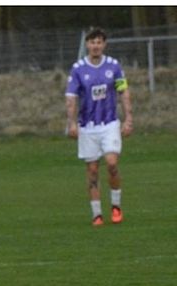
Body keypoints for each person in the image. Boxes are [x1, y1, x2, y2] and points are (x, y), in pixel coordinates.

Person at [65, 26, 133, 227]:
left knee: (111, 163)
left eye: (99, 42)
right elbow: (71, 98)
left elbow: (124, 91)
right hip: (87, 126)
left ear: (104, 45)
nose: (95, 46)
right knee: (93, 170)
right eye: (92, 42)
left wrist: (128, 118)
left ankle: (116, 206)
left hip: (109, 123)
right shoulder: (78, 69)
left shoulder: (113, 66)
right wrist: (71, 124)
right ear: (87, 44)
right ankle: (97, 214)